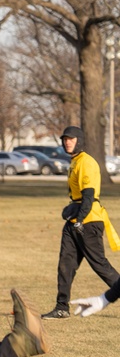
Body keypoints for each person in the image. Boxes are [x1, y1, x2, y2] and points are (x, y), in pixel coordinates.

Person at [43, 126, 120, 319]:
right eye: (65, 139)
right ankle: (61, 307)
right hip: (75, 220)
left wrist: (80, 219)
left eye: (72, 139)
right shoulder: (75, 161)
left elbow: (89, 194)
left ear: (80, 140)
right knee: (65, 265)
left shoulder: (86, 162)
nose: (67, 142)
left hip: (88, 221)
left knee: (100, 265)